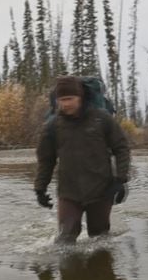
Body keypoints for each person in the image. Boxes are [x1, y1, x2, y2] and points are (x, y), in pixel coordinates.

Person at [34, 76, 131, 244]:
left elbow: (121, 148)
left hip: (101, 190)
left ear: (81, 97)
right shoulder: (53, 126)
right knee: (65, 239)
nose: (66, 104)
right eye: (62, 100)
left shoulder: (102, 119)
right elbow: (46, 160)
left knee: (99, 239)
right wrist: (40, 188)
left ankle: (99, 269)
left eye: (70, 99)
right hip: (69, 192)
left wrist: (120, 180)